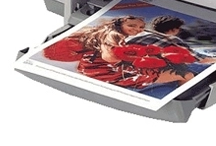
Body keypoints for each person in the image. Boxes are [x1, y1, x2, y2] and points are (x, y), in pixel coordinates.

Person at [43, 15, 193, 92]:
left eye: (141, 27)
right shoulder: (113, 35)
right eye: (132, 25)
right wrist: (140, 57)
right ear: (120, 24)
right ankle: (179, 95)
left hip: (91, 65)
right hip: (108, 71)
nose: (137, 29)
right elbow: (110, 57)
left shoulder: (103, 31)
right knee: (186, 75)